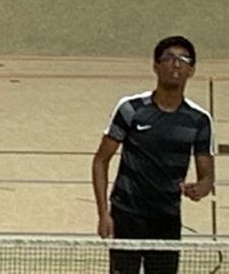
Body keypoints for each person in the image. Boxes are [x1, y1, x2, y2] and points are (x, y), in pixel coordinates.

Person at [91, 36, 215, 274]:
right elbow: (100, 161)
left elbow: (207, 177)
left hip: (167, 219)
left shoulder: (199, 120)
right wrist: (103, 213)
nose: (175, 64)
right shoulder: (131, 109)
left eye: (183, 59)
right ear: (156, 66)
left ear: (191, 70)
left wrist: (200, 188)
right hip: (126, 216)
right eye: (168, 58)